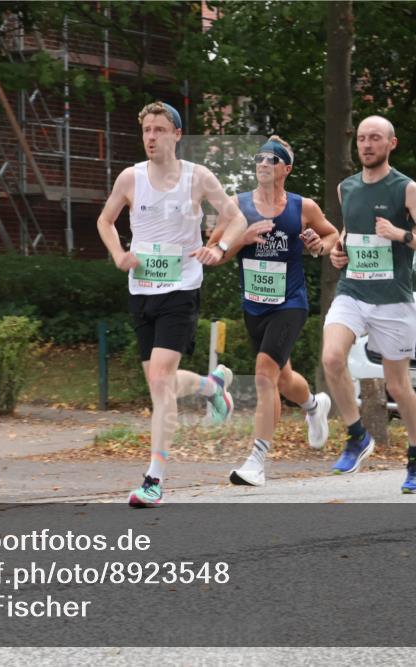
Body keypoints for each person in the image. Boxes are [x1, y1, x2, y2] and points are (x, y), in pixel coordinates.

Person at [96, 101, 249, 508]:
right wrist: (118, 254)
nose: (151, 137)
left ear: (176, 135)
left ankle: (154, 478)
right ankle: (212, 386)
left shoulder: (198, 179)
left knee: (161, 381)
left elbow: (236, 219)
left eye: (159, 129)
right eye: (146, 129)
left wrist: (219, 248)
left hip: (181, 290)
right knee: (159, 383)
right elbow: (105, 221)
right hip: (142, 290)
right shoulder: (130, 178)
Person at [322, 115, 416, 493]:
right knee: (331, 358)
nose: (366, 145)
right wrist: (338, 253)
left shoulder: (405, 189)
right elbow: (348, 233)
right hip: (353, 292)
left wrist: (400, 234)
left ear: (391, 143)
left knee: (397, 385)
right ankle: (358, 435)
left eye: (375, 138)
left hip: (393, 300)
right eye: (361, 138)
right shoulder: (347, 188)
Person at [208, 136, 340, 486]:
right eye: (260, 158)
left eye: (273, 159)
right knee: (282, 378)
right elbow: (213, 254)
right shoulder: (236, 208)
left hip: (290, 303)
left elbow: (331, 236)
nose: (264, 163)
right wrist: (242, 238)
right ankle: (314, 405)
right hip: (255, 306)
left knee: (265, 372)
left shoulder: (303, 207)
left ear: (287, 168)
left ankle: (257, 460)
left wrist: (318, 245)